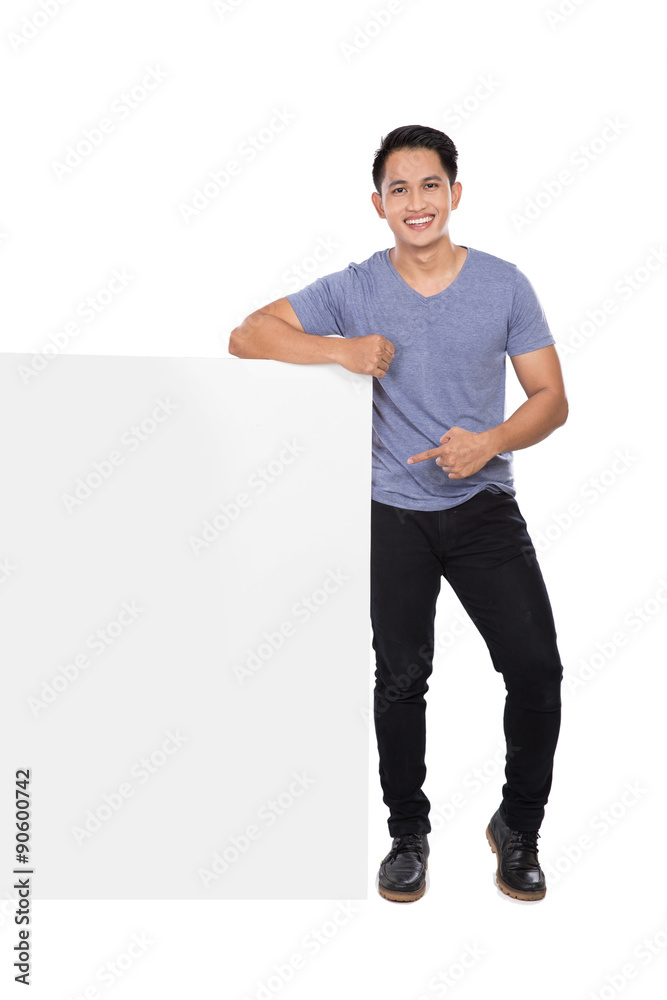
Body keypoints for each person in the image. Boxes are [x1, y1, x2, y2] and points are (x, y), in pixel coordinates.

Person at [228, 124, 568, 903]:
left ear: (454, 192)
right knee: (401, 678)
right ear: (378, 204)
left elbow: (551, 401)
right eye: (398, 189)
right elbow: (247, 335)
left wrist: (489, 442)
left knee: (536, 672)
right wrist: (337, 350)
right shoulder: (355, 288)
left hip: (482, 503)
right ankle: (406, 836)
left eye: (429, 185)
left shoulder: (504, 283)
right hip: (393, 511)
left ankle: (517, 827)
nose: (416, 202)